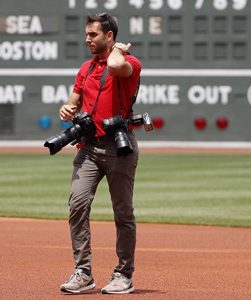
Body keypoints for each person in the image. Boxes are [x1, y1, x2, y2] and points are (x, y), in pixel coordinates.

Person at [59, 13, 141, 294]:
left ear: (109, 36)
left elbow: (117, 64)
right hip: (89, 148)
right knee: (77, 205)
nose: (87, 40)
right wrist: (67, 109)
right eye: (86, 34)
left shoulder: (129, 63)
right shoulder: (85, 68)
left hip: (120, 147)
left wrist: (118, 50)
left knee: (122, 212)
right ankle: (83, 273)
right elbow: (72, 102)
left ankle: (123, 274)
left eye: (93, 35)